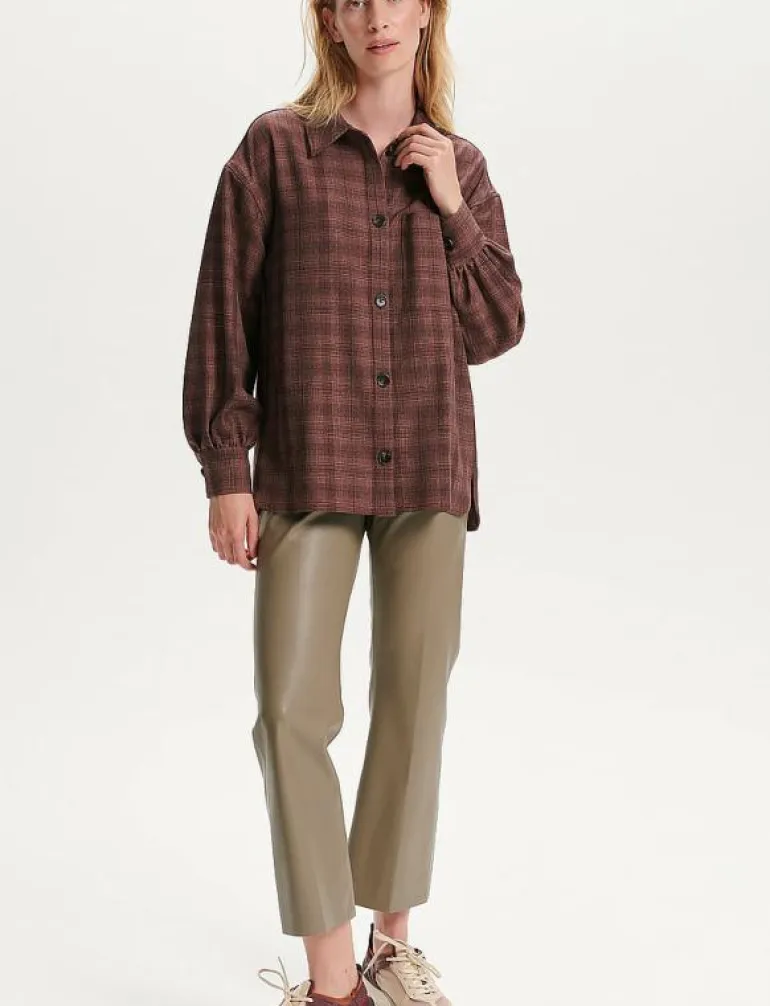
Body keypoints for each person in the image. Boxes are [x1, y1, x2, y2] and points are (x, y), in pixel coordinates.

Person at [182, 1, 525, 1004]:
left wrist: (450, 205)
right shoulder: (274, 151)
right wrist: (227, 470)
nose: (376, 17)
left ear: (425, 14)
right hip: (307, 460)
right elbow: (223, 315)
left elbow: (498, 326)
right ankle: (333, 983)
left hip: (427, 461)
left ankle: (390, 946)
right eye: (352, 0)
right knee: (290, 712)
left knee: (413, 702)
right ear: (330, 21)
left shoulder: (461, 166)